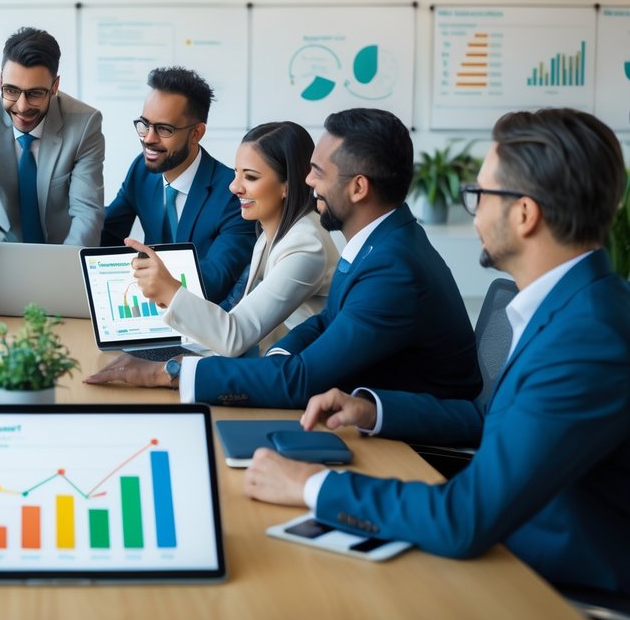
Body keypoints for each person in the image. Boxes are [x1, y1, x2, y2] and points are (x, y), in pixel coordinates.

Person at [245, 108, 630, 596]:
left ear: (524, 214)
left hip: (545, 587)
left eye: (480, 194)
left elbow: (465, 518)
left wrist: (310, 485)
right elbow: (487, 419)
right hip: (505, 548)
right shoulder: (569, 304)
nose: (475, 212)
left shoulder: (587, 336)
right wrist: (374, 409)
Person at [87, 108, 481, 409]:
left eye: (318, 172)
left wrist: (168, 372)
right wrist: (280, 357)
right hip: (347, 398)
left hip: (407, 434)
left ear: (359, 187)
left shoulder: (389, 266)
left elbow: (299, 378)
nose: (309, 182)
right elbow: (325, 322)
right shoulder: (380, 241)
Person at [87, 122, 337, 392]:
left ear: (287, 186)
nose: (234, 187)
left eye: (250, 177)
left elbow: (235, 337)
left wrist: (170, 290)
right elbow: (236, 319)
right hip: (266, 366)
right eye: (237, 173)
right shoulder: (272, 233)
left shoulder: (305, 245)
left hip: (294, 383)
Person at [0, 27, 105, 290]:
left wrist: (65, 273)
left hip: (64, 250)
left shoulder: (84, 123)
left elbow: (87, 211)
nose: (21, 106)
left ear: (55, 87)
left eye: (35, 93)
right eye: (11, 90)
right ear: (0, 81)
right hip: (0, 252)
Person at [100, 67, 253, 304]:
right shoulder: (141, 170)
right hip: (148, 308)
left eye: (164, 129)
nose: (148, 138)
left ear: (196, 133)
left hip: (202, 317)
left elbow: (216, 279)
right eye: (145, 124)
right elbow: (107, 234)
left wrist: (151, 276)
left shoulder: (232, 194)